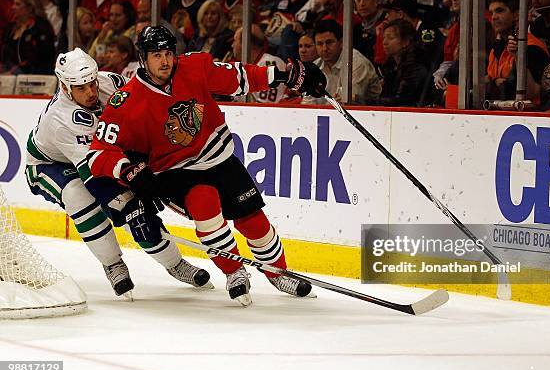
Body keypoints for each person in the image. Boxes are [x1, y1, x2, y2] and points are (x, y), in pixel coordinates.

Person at [87, 26, 326, 306]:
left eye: (168, 54)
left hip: (220, 159)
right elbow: (98, 153)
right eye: (156, 56)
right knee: (206, 205)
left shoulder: (195, 66)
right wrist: (127, 170)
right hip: (175, 172)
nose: (165, 61)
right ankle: (234, 271)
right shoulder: (126, 102)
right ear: (143, 58)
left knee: (254, 222)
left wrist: (285, 76)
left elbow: (240, 77)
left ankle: (276, 271)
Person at [26, 48, 212, 297]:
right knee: (78, 195)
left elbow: (143, 104)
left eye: (91, 83)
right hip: (50, 165)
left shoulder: (109, 82)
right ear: (65, 87)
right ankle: (112, 263)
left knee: (140, 215)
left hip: (101, 155)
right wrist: (125, 206)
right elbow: (94, 172)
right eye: (81, 89)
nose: (91, 92)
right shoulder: (60, 120)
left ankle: (175, 264)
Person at [485, 0, 549, 102]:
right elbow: (491, 81)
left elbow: (531, 92)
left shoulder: (532, 47)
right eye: (491, 13)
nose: (494, 17)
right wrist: (494, 82)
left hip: (528, 115)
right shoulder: (496, 49)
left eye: (499, 11)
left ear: (516, 15)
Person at [305, 19, 381, 104]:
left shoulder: (356, 62)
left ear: (341, 42)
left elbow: (349, 102)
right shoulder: (314, 66)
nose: (324, 49)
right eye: (319, 44)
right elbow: (308, 102)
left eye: (329, 42)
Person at [366, 19, 428, 107]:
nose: (384, 42)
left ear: (405, 41)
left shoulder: (415, 67)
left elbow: (401, 101)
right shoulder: (390, 67)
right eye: (384, 38)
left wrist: (362, 101)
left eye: (390, 38)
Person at [0, 0, 55, 74]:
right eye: (13, 4)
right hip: (11, 78)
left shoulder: (40, 27)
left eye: (17, 4)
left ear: (29, 8)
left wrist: (15, 71)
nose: (13, 7)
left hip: (37, 77)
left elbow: (41, 57)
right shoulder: (10, 29)